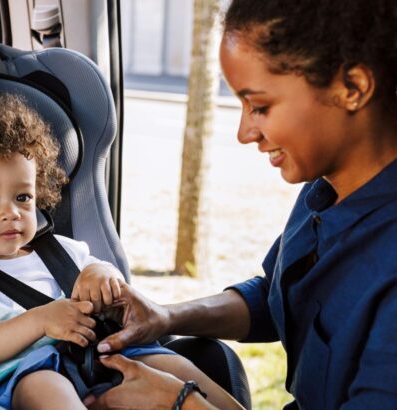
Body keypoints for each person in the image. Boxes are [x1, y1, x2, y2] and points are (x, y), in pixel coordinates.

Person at [90, 0, 397, 409]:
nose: (244, 132)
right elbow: (279, 298)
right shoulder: (324, 191)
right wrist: (166, 316)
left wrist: (181, 403)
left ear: (352, 88)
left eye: (260, 107)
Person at [0, 95, 243, 410]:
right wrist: (41, 320)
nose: (10, 212)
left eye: (23, 197)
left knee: (172, 365)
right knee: (45, 387)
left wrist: (102, 276)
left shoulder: (62, 252)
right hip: (21, 373)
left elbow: (107, 277)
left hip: (98, 353)